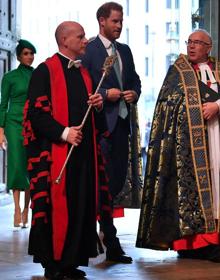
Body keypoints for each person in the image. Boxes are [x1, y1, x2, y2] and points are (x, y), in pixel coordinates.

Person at [23, 21, 112, 280]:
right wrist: (65, 132)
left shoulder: (85, 73)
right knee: (57, 208)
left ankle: (71, 262)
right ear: (65, 40)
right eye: (81, 37)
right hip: (56, 155)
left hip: (83, 155)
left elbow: (93, 119)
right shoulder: (45, 70)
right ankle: (54, 265)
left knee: (81, 205)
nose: (86, 41)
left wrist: (97, 106)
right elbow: (35, 115)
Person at [136, 29, 220, 263]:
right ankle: (194, 243)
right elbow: (168, 106)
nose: (191, 46)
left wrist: (217, 106)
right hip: (189, 147)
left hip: (216, 139)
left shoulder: (217, 69)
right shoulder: (178, 72)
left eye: (197, 43)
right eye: (189, 42)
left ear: (208, 47)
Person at [81, 2, 141, 263]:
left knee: (115, 184)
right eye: (115, 21)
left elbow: (134, 80)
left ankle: (104, 233)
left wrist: (133, 93)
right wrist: (106, 94)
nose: (119, 26)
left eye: (121, 21)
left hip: (122, 127)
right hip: (101, 128)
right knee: (102, 186)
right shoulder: (89, 50)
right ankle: (108, 238)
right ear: (102, 21)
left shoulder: (125, 51)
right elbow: (82, 88)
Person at [0, 39, 36, 228]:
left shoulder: (38, 75)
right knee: (16, 166)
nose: (29, 57)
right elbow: (2, 103)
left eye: (31, 53)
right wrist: (1, 131)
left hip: (32, 124)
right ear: (19, 56)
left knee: (30, 166)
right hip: (13, 124)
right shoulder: (9, 77)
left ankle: (25, 209)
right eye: (26, 53)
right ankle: (15, 208)